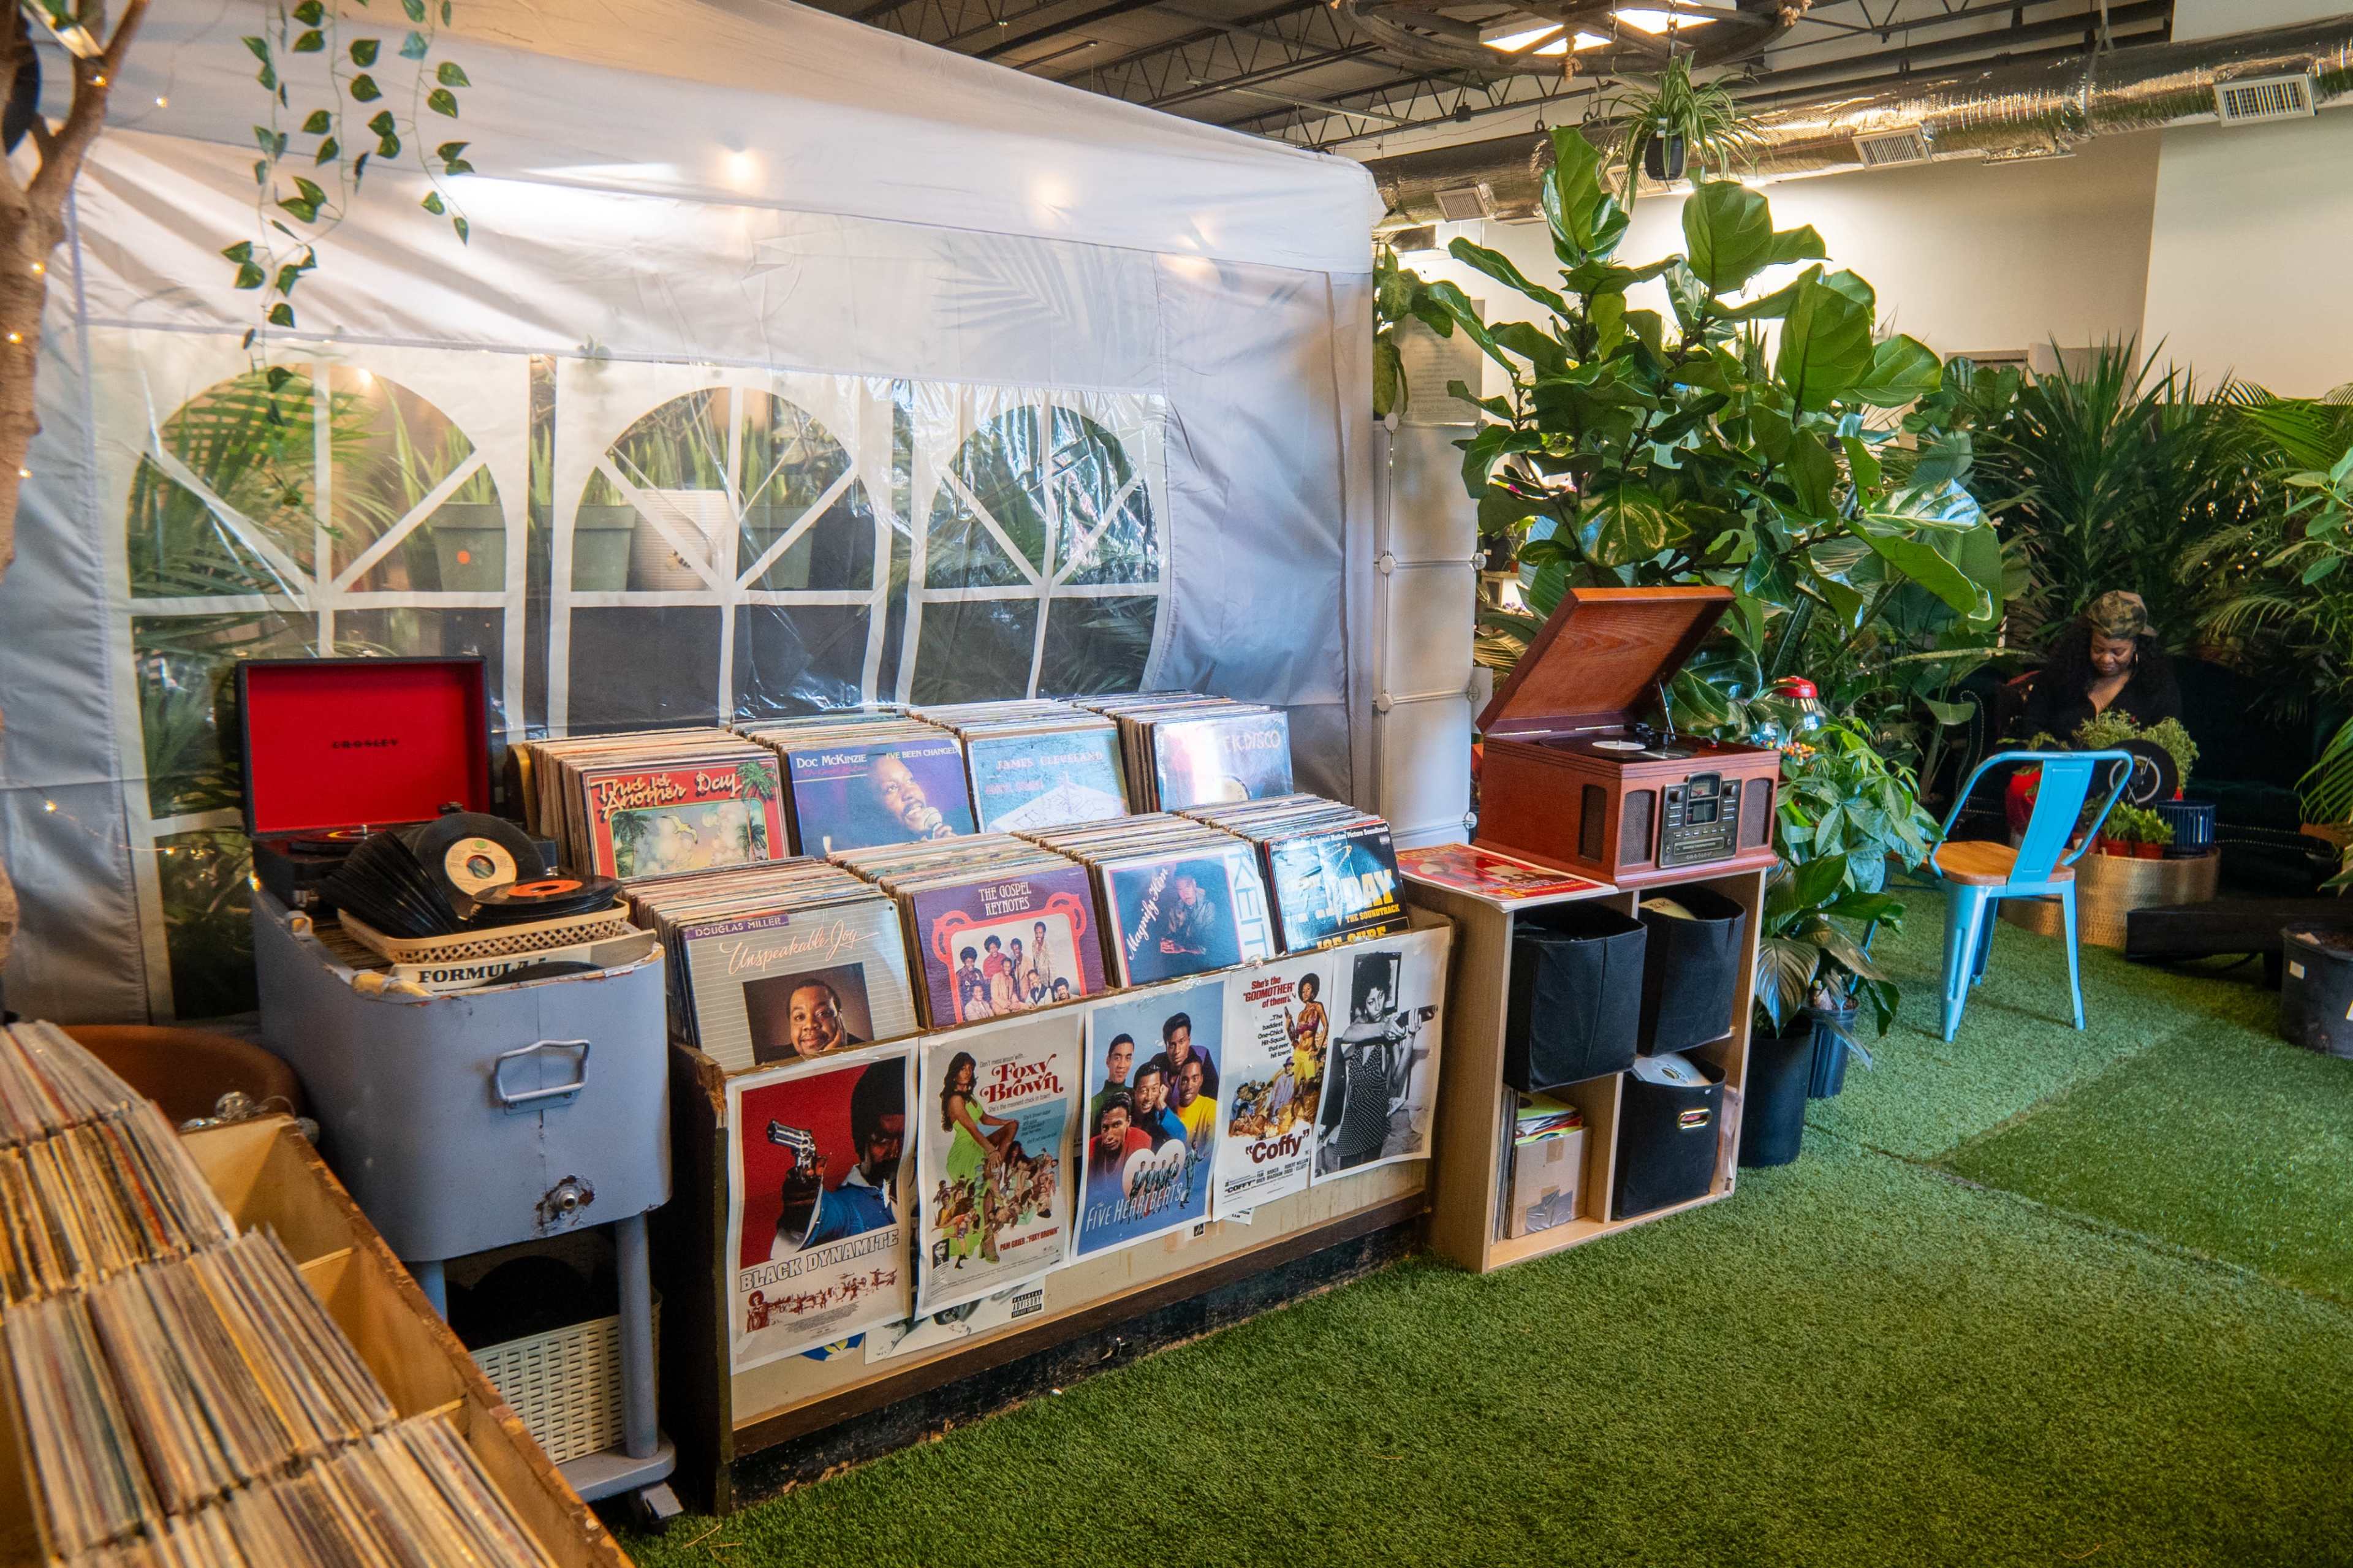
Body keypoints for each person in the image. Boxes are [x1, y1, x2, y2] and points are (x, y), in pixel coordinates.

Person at [768, 1061, 903, 1257]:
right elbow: (828, 1215)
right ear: (860, 1141)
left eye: (906, 1139)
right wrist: (804, 1209)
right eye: (882, 1139)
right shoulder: (848, 1207)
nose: (896, 1152)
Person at [2020, 590, 2181, 741]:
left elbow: (2164, 744)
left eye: (2118, 652)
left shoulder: (2157, 686)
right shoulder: (2062, 673)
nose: (2106, 659)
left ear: (2136, 645)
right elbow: (2031, 724)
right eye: (2098, 649)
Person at [1145, 1011, 1219, 1101]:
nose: (1177, 1051)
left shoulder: (1202, 1055)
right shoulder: (1157, 1062)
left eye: (1181, 1042)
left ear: (1189, 1040)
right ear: (1166, 1044)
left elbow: (1215, 1098)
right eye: (1172, 1045)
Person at [783, 979, 862, 1058]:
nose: (810, 1025)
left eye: (822, 1013)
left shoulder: (867, 1052)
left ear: (840, 1019)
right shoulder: (774, 1060)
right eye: (799, 1017)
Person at [1086, 1092, 1150, 1185]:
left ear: (1128, 1121)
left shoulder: (1142, 1141)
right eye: (1105, 1128)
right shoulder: (1092, 1147)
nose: (1109, 1136)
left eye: (1116, 1125)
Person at [1128, 1061, 1186, 1151]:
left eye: (1154, 1089)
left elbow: (1182, 1136)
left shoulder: (1161, 1114)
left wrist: (1161, 1104)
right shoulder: (1124, 1114)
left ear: (1160, 1090)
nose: (1149, 1097)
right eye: (1144, 1091)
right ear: (1133, 1093)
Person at [1088, 1033, 1135, 1130]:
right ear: (1108, 1061)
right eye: (1117, 1058)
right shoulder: (1095, 1104)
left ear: (1131, 1062)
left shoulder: (1135, 1095)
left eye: (1128, 1058)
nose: (1122, 1065)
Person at [1170, 1056, 1216, 1150]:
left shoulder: (1212, 1107)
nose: (1189, 1086)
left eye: (1195, 1079)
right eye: (1185, 1080)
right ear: (1178, 1082)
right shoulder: (1170, 1115)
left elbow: (1210, 1151)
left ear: (1201, 1080)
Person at [1026, 918, 1056, 999]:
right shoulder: (1034, 944)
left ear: (1044, 933)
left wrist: (1052, 985)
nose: (1038, 935)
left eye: (1040, 933)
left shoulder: (1048, 946)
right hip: (1039, 979)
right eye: (1036, 933)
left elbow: (1052, 967)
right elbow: (1035, 962)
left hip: (1048, 980)